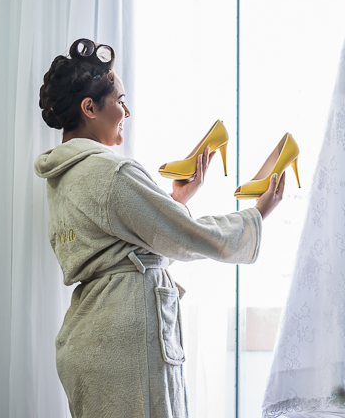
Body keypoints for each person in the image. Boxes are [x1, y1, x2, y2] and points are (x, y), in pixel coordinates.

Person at [34, 38, 285, 418]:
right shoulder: (111, 171)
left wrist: (175, 200)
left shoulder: (62, 178)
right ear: (89, 108)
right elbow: (188, 238)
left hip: (91, 340)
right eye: (119, 101)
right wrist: (256, 215)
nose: (126, 111)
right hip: (125, 346)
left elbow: (121, 246)